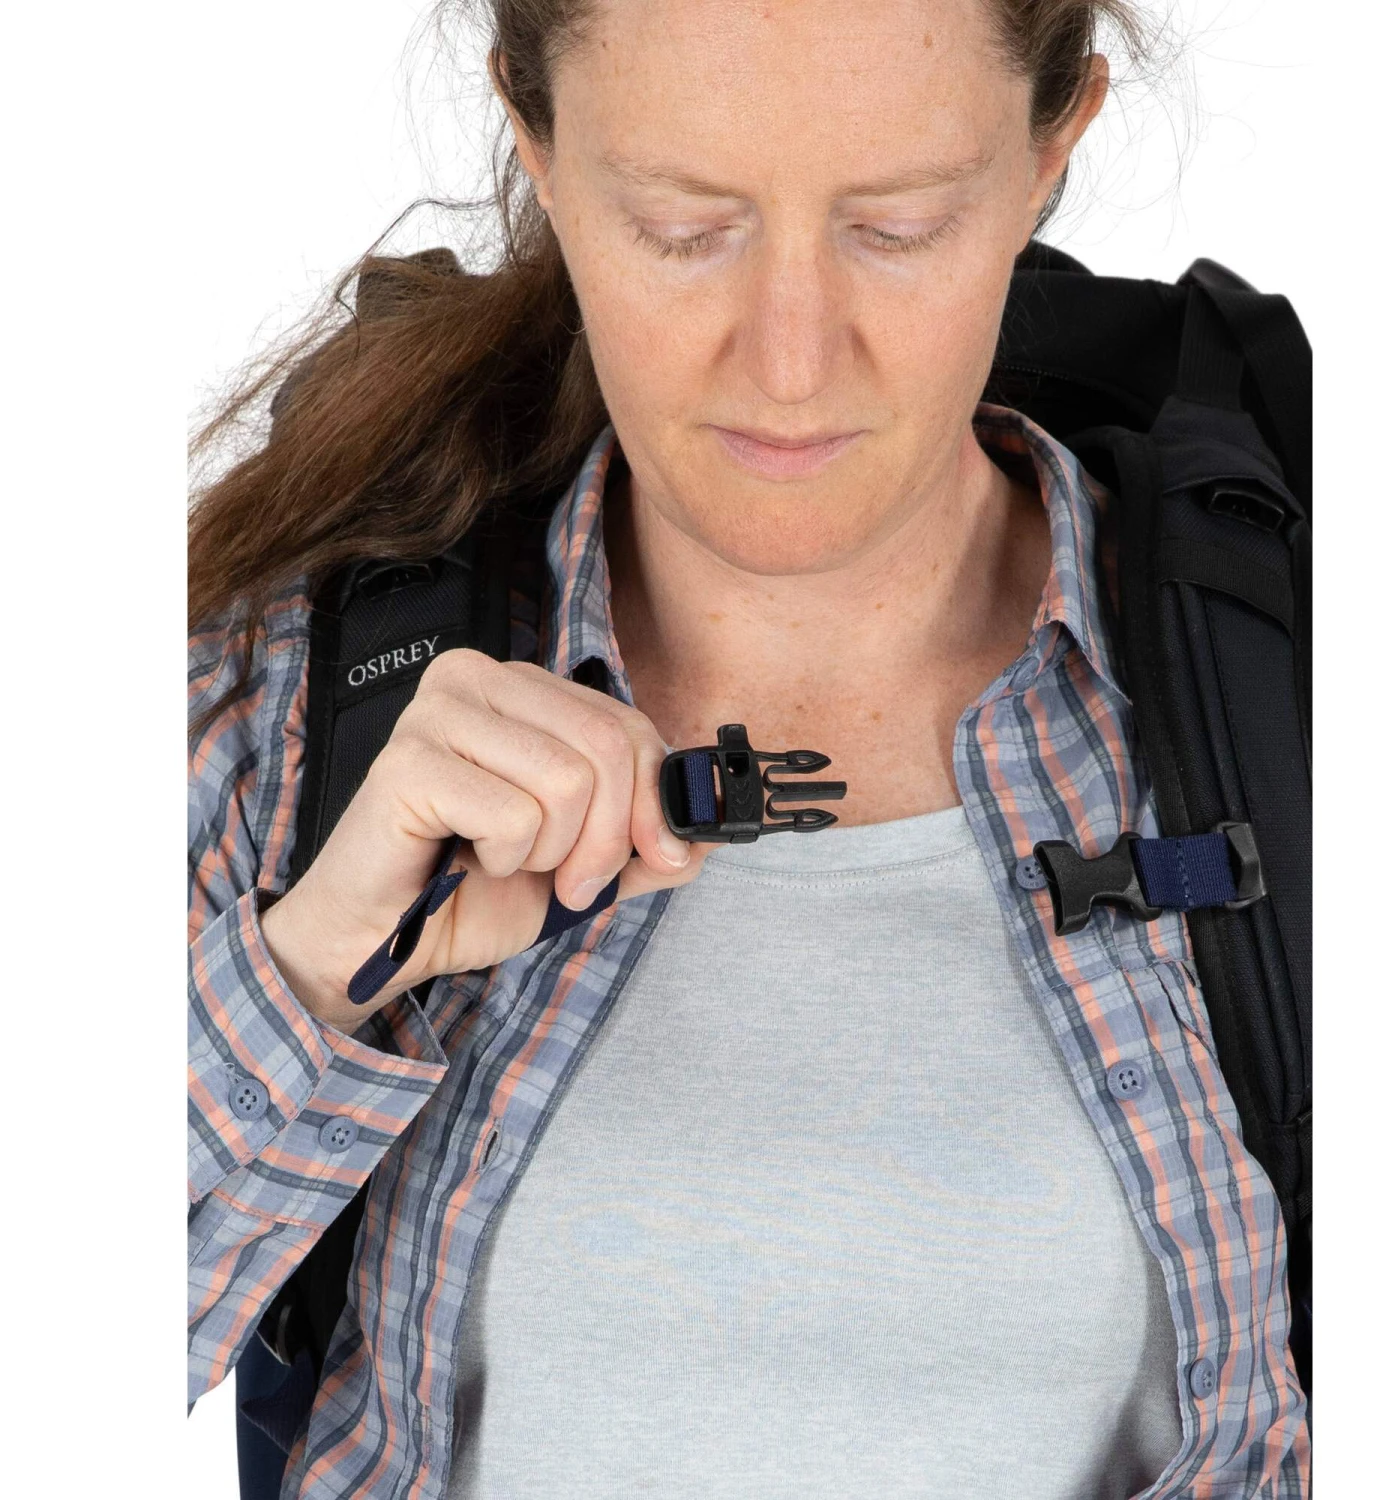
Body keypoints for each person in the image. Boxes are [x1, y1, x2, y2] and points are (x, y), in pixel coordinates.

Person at [188, 1, 1310, 1495]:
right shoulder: (285, 699)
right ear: (538, 146)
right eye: (681, 227)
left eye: (899, 227)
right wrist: (309, 970)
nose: (790, 364)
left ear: (1054, 151)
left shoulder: (1303, 698)